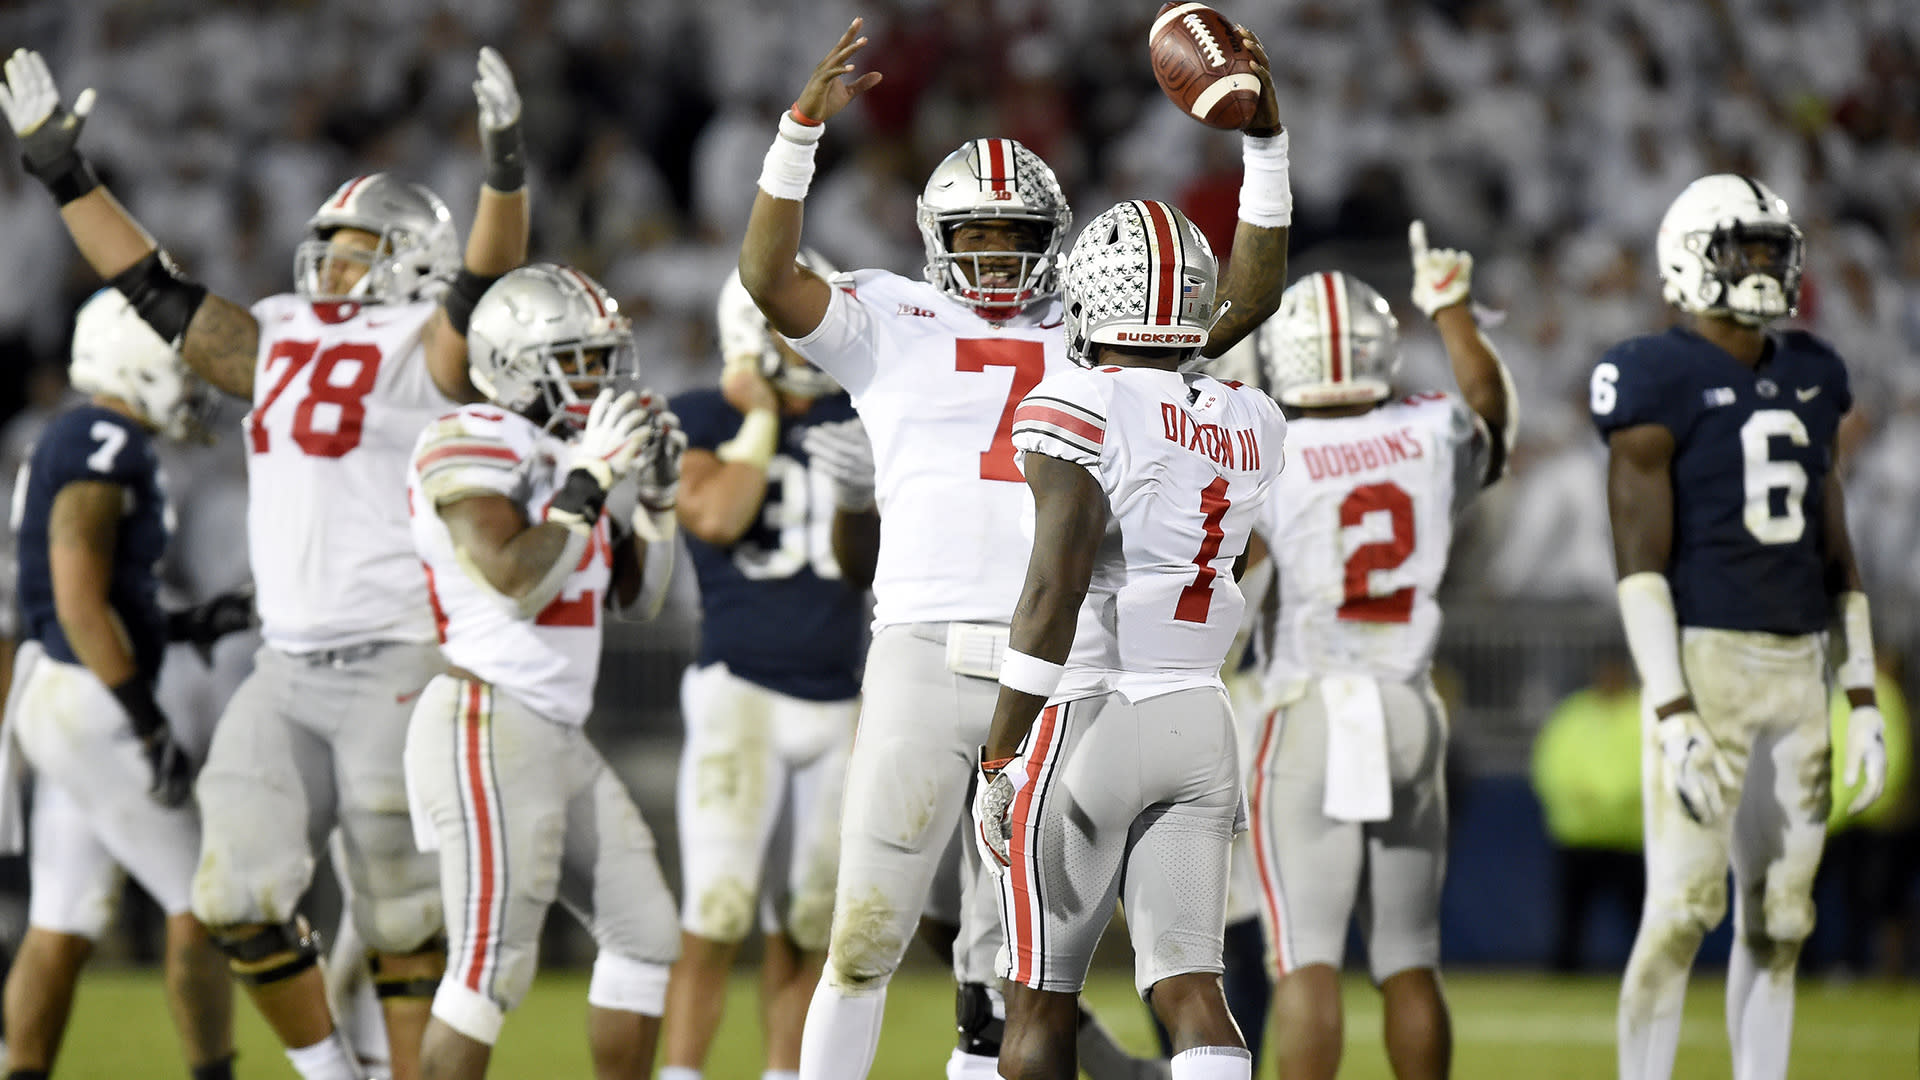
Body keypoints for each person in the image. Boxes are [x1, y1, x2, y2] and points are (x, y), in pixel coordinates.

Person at [737, 17, 1291, 1079]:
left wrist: (1264, 154)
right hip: (921, 646)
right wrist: (798, 134)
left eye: (1013, 233)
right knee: (863, 938)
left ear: (1057, 237)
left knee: (1013, 971)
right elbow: (768, 276)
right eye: (975, 233)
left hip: (1060, 668)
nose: (993, 252)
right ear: (937, 233)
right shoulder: (887, 312)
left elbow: (1243, 295)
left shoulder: (1100, 321)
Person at [0, 45, 532, 1080]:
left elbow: (485, 282)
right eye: (327, 246)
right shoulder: (277, 332)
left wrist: (504, 170)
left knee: (402, 927)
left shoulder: (428, 344)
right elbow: (152, 287)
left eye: (355, 248)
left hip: (395, 662)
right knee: (232, 901)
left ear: (410, 258)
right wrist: (66, 175)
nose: (330, 264)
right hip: (284, 670)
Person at [969, 197, 1288, 1080]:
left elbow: (1055, 587)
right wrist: (1268, 158)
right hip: (1198, 710)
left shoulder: (1078, 396)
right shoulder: (1247, 415)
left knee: (1038, 1001)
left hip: (1089, 715)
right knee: (1194, 990)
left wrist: (1000, 753)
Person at [1591, 174, 1888, 1080]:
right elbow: (1637, 562)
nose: (1762, 267)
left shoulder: (1813, 372)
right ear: (1691, 257)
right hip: (1705, 663)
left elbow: (1835, 550)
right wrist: (1671, 709)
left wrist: (1864, 692)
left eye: (1772, 249)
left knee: (1784, 918)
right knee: (1682, 908)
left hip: (1799, 668)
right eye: (1742, 249)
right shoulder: (1654, 374)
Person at [1240, 225, 1515, 1080]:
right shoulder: (1428, 430)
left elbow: (1234, 582)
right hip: (1405, 703)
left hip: (1310, 704)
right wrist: (1455, 314)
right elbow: (1491, 415)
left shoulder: (1267, 447)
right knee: (1408, 955)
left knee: (1307, 957)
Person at [402, 262, 686, 1079]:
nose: (601, 381)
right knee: (488, 967)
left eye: (605, 359)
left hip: (555, 731)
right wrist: (591, 479)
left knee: (644, 934)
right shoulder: (469, 437)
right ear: (515, 361)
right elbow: (515, 579)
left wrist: (658, 501)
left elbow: (638, 600)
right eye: (582, 360)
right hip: (487, 719)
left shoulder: (565, 452)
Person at [0, 289, 230, 1080]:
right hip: (87, 696)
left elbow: (95, 596)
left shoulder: (77, 434)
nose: (189, 378)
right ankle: (214, 1073)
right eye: (176, 361)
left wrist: (194, 624)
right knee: (207, 900)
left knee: (62, 921)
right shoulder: (105, 437)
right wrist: (148, 720)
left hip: (61, 690)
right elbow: (75, 593)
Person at [657, 259, 878, 1080]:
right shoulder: (700, 414)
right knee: (714, 912)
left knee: (812, 920)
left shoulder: (862, 416)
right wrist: (755, 417)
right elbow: (719, 515)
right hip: (739, 691)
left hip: (838, 696)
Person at [1532, 650, 1646, 972]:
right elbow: (1550, 764)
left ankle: (1648, 974)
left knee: (1641, 915)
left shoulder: (1642, 713)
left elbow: (1656, 766)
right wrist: (1578, 797)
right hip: (1579, 833)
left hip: (1629, 835)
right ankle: (1565, 971)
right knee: (1571, 914)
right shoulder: (1572, 715)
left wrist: (1623, 798)